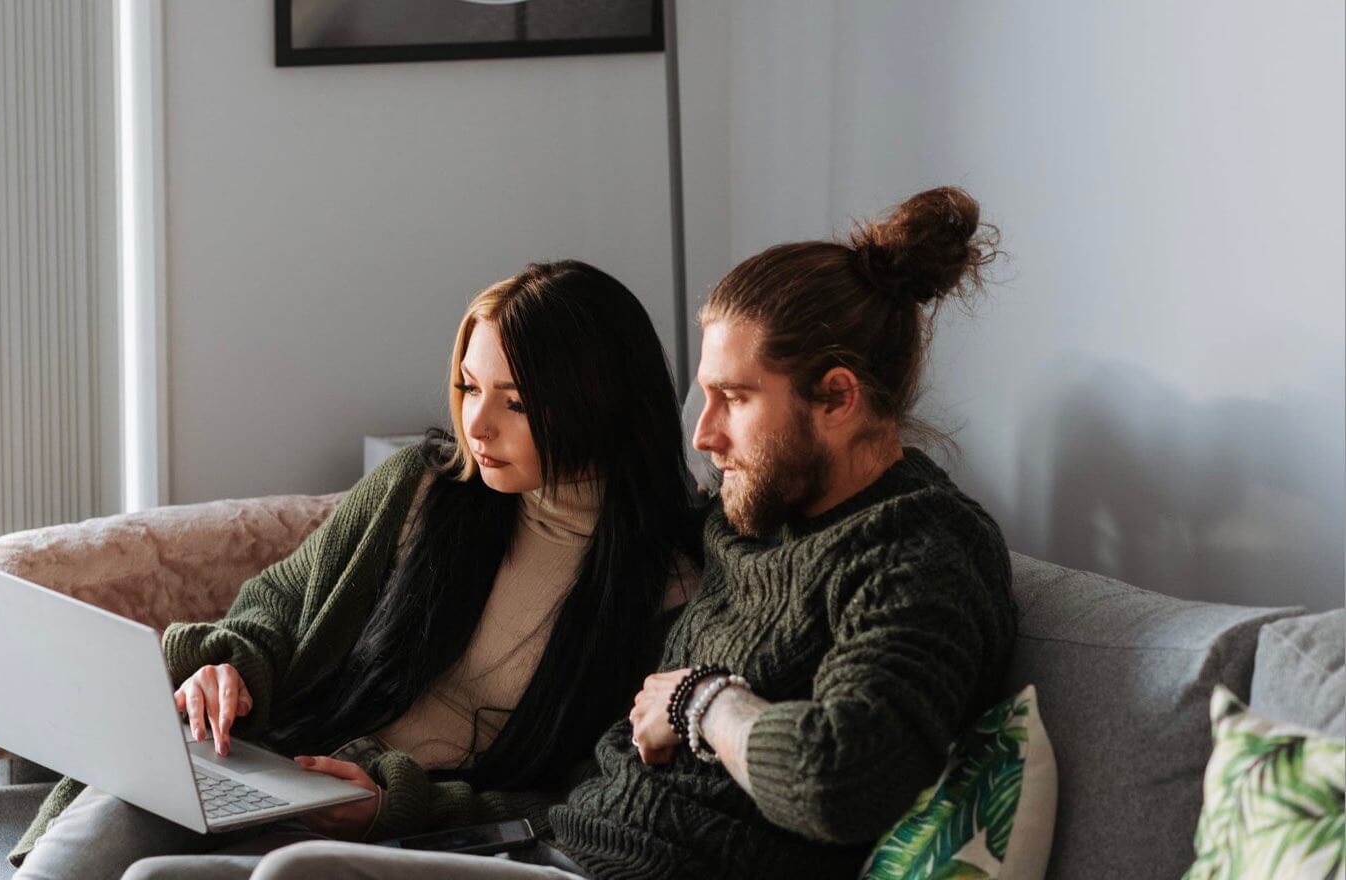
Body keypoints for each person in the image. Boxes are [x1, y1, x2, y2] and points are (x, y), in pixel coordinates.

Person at [250, 185, 1019, 878]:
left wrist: (701, 702)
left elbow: (841, 783)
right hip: (554, 848)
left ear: (837, 398)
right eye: (702, 398)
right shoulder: (755, 521)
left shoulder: (919, 555)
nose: (704, 436)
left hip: (613, 864)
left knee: (293, 876)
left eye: (734, 399)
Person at [8, 260, 699, 880]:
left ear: (600, 403)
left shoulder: (665, 590)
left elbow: (590, 799)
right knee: (130, 798)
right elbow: (279, 600)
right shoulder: (421, 489)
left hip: (410, 838)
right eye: (468, 387)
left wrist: (393, 807)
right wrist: (230, 669)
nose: (477, 424)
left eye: (514, 402)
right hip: (284, 764)